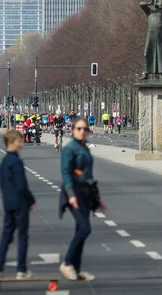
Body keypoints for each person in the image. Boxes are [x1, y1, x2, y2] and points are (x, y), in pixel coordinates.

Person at [59, 118, 105, 282]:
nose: (82, 131)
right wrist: (71, 195)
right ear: (72, 130)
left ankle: (76, 269)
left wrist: (97, 197)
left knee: (81, 228)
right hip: (74, 193)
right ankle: (67, 263)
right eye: (79, 128)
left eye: (85, 129)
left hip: (86, 192)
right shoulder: (69, 149)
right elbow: (66, 173)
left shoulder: (84, 148)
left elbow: (89, 175)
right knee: (85, 228)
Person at [0, 130, 35, 280]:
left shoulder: (4, 162)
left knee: (6, 236)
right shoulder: (16, 161)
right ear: (11, 142)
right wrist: (30, 200)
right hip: (20, 204)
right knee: (22, 236)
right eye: (19, 141)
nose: (21, 143)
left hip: (8, 204)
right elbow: (22, 185)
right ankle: (21, 270)